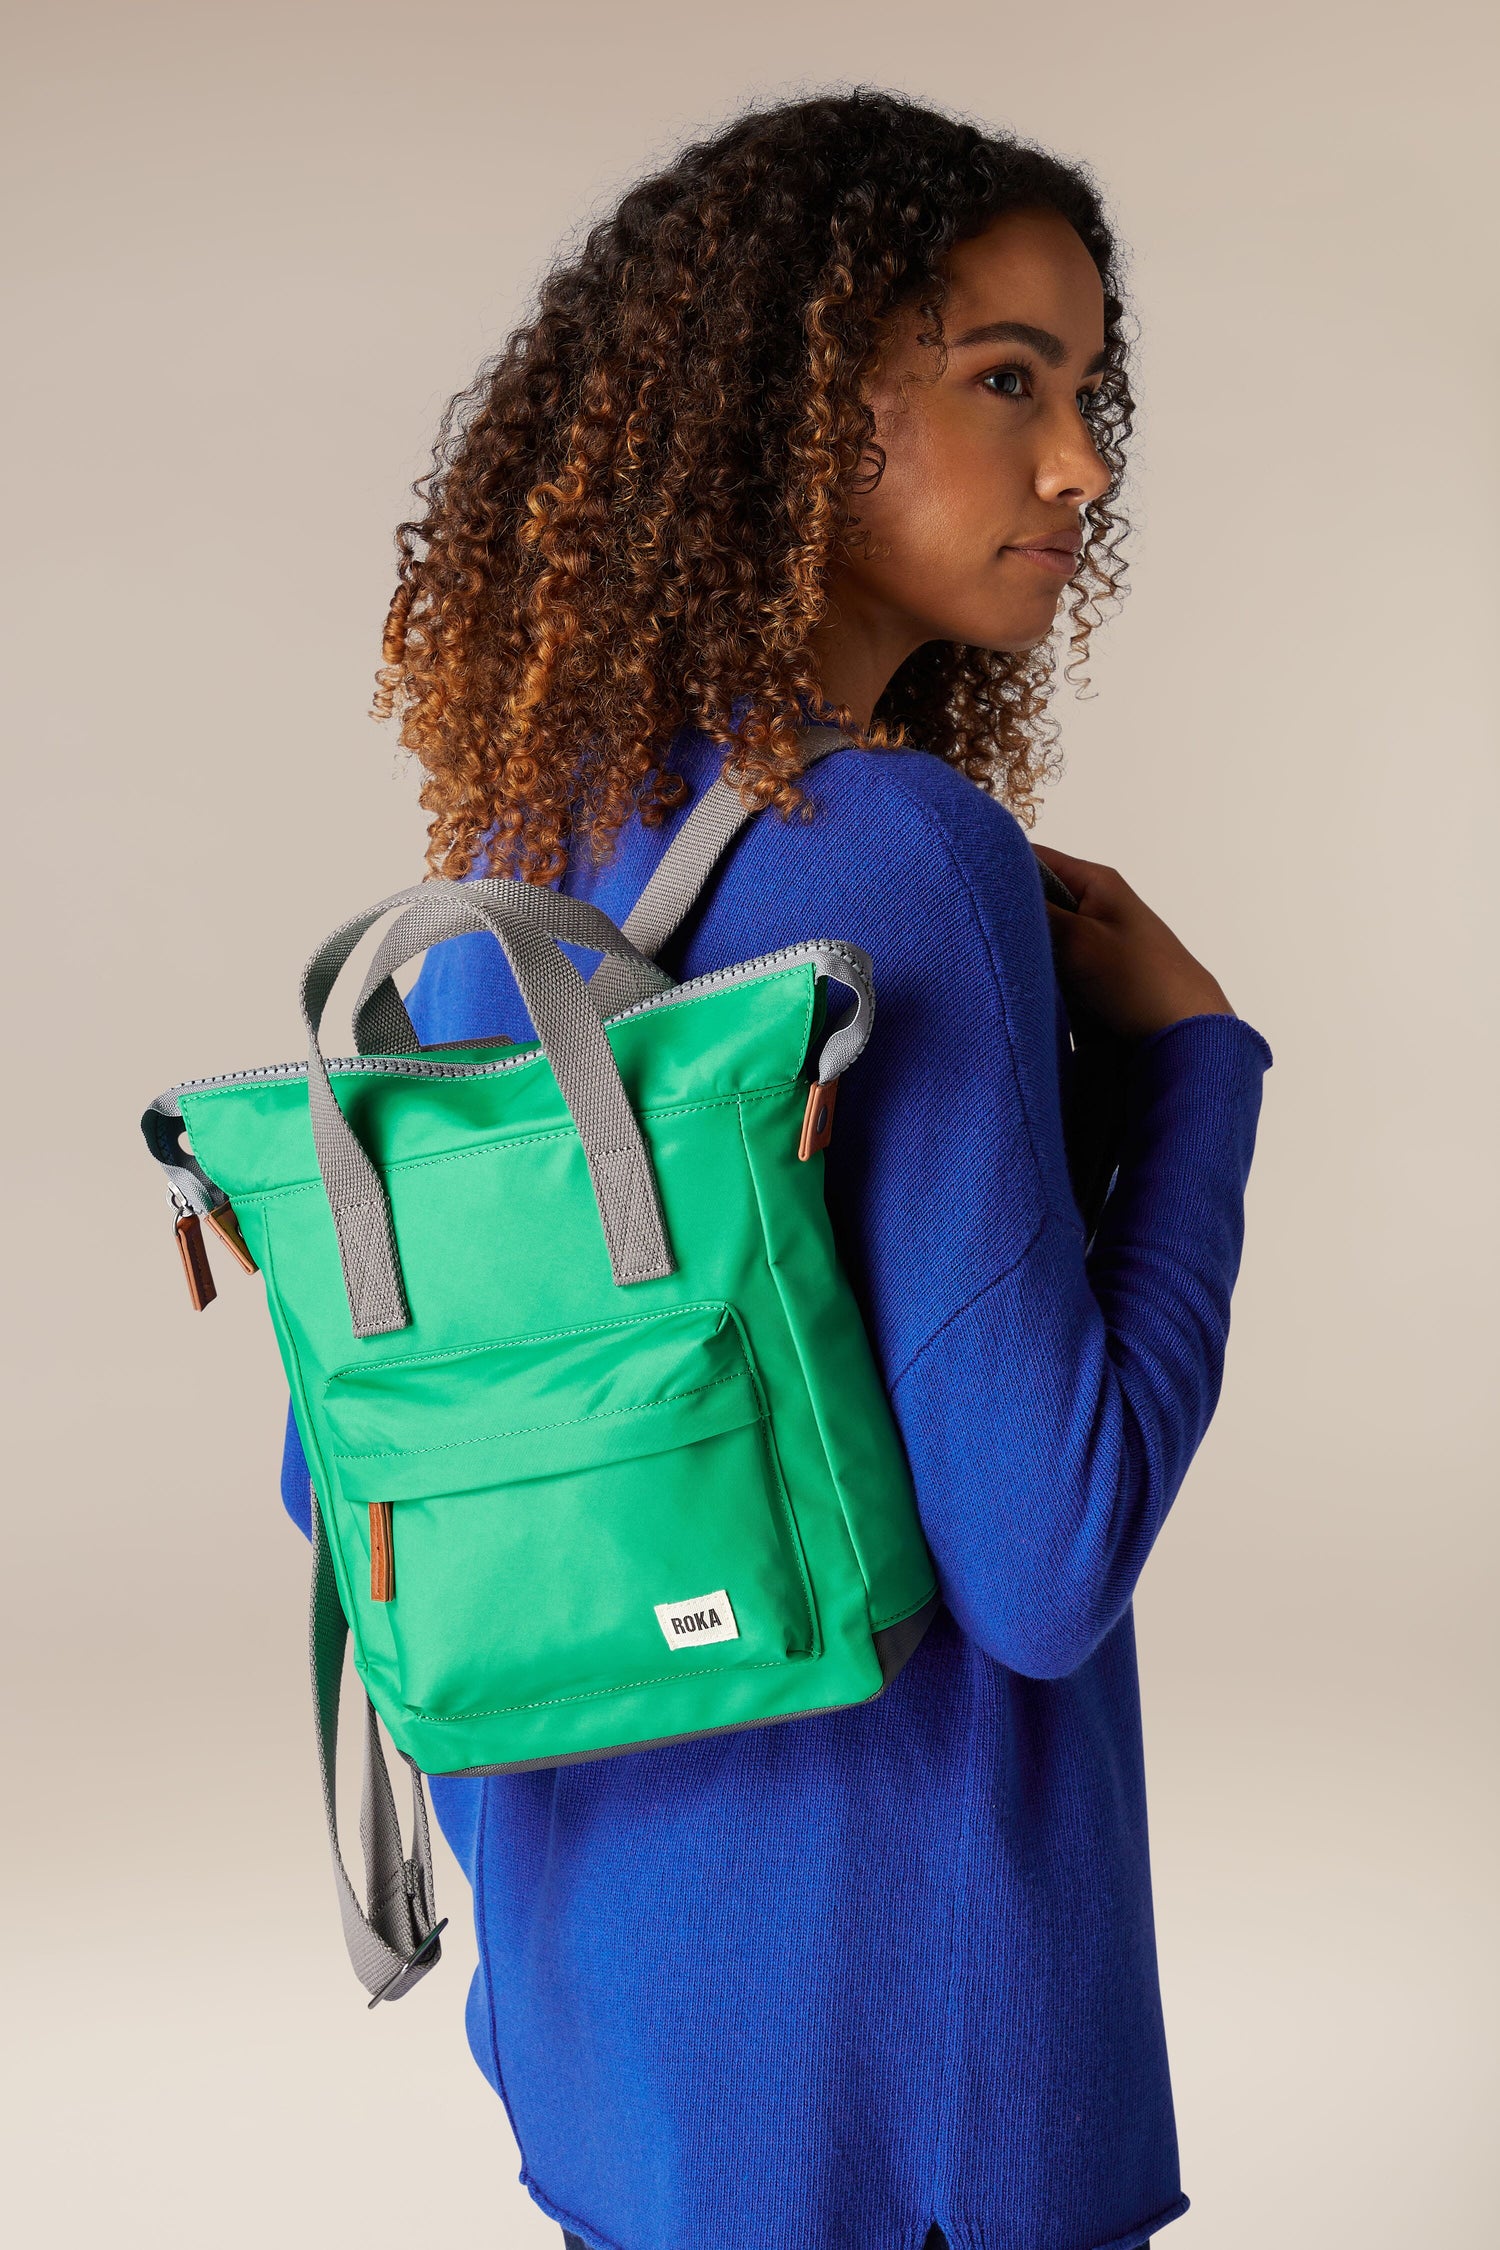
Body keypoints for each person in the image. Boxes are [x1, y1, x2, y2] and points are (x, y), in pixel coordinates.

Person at [281, 89, 1271, 2250]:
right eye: (1006, 379)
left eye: (1086, 392)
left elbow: (352, 1480)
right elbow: (1046, 1551)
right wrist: (1199, 1071)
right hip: (920, 2086)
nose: (1082, 464)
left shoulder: (521, 869)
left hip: (625, 2061)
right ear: (793, 410)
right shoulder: (905, 859)